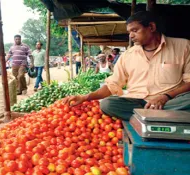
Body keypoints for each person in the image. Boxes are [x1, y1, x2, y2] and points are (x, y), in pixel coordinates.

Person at [62, 11, 190, 121]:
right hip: (137, 103)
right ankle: (156, 116)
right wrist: (85, 97)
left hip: (170, 102)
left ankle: (146, 116)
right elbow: (113, 85)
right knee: (107, 104)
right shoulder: (128, 55)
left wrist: (165, 97)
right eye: (129, 32)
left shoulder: (183, 46)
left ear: (151, 27)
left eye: (135, 30)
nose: (131, 35)